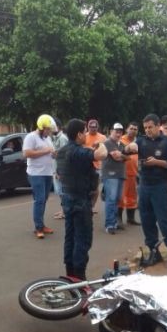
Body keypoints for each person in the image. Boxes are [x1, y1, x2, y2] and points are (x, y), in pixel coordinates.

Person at [125, 114, 167, 269]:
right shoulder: (141, 140)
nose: (148, 130)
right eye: (146, 128)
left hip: (159, 186)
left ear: (158, 126)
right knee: (146, 220)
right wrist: (127, 148)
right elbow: (127, 151)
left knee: (164, 220)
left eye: (151, 127)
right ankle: (154, 251)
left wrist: (158, 162)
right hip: (144, 185)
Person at [56, 119, 107, 280]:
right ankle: (80, 278)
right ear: (79, 134)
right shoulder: (77, 151)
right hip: (80, 201)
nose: (86, 134)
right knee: (83, 239)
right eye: (84, 131)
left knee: (70, 237)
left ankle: (70, 274)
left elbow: (61, 172)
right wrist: (102, 144)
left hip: (68, 200)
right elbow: (101, 154)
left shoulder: (63, 151)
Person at [23, 114, 56, 239]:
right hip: (36, 173)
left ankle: (42, 225)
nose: (49, 132)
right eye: (47, 129)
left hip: (47, 173)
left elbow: (50, 152)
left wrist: (53, 154)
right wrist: (46, 151)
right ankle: (38, 228)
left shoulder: (47, 138)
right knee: (39, 200)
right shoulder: (31, 137)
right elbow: (26, 153)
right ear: (41, 127)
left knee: (44, 200)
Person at [102, 123, 127, 234]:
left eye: (120, 131)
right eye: (116, 131)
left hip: (120, 174)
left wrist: (122, 155)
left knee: (117, 199)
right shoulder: (107, 143)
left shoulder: (122, 144)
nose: (118, 133)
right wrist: (123, 156)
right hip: (110, 174)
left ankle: (114, 222)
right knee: (111, 199)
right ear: (111, 131)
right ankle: (109, 224)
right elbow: (117, 157)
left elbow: (128, 157)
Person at [119, 121, 140, 227]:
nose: (133, 131)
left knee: (132, 197)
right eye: (131, 128)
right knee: (121, 197)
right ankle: (118, 220)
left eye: (135, 129)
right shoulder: (121, 140)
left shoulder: (138, 142)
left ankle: (130, 219)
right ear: (127, 129)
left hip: (134, 173)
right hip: (122, 173)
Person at [85, 119, 107, 212]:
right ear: (88, 127)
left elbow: (106, 149)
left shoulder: (103, 137)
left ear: (97, 127)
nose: (93, 128)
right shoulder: (84, 136)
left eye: (95, 127)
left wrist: (100, 145)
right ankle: (86, 205)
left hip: (98, 166)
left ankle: (92, 206)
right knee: (85, 186)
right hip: (85, 165)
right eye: (91, 127)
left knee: (95, 187)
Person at [50, 117, 69, 220]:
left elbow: (64, 156)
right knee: (60, 192)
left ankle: (65, 211)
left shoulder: (62, 138)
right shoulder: (55, 138)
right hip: (55, 168)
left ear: (59, 127)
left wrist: (60, 171)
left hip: (60, 170)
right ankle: (63, 210)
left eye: (53, 127)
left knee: (63, 191)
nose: (51, 129)